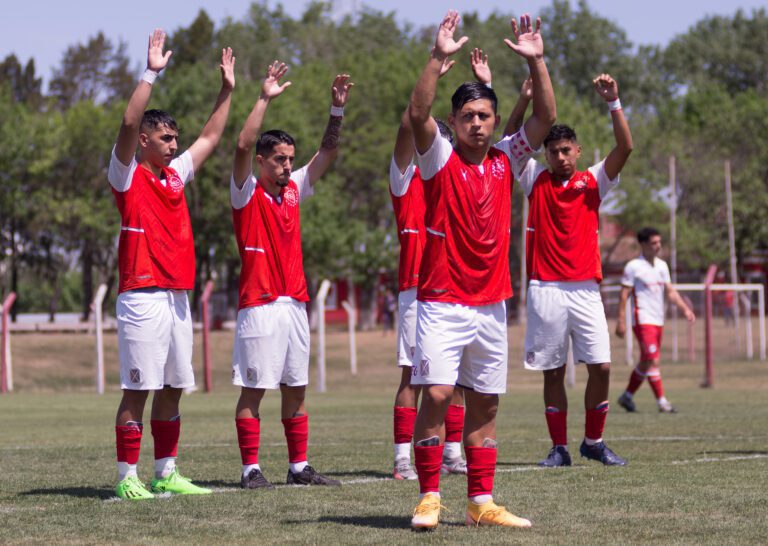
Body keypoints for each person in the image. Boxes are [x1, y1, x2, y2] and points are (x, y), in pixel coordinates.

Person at [407, 11, 555, 529]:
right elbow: (417, 111)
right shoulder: (439, 158)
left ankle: (480, 503)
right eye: (467, 114)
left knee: (486, 407)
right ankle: (428, 498)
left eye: (484, 115)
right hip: (442, 301)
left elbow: (543, 117)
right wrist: (437, 57)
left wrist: (538, 64)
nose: (476, 122)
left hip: (491, 306)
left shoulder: (506, 160)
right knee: (440, 394)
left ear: (495, 121)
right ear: (455, 122)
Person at [109, 30, 235, 500]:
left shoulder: (176, 175)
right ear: (144, 141)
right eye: (164, 137)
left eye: (174, 138)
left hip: (177, 295)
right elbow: (126, 120)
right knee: (137, 390)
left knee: (174, 387)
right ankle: (126, 478)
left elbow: (211, 136)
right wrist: (151, 73)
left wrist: (227, 90)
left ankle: (165, 471)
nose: (173, 144)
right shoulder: (127, 175)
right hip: (141, 295)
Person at [230, 61, 353, 489]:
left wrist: (336, 111)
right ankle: (250, 470)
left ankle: (299, 466)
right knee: (254, 389)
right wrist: (263, 97)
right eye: (279, 159)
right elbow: (243, 143)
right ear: (262, 162)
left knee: (296, 388)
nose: (286, 166)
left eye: (290, 160)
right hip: (260, 306)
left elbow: (328, 154)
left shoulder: (295, 189)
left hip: (295, 304)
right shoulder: (245, 192)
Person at [390, 47, 497, 482]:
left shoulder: (459, 174)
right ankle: (402, 456)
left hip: (455, 290)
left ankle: (453, 449)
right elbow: (411, 129)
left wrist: (484, 84)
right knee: (413, 378)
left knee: (453, 381)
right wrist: (426, 84)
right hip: (418, 291)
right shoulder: (407, 178)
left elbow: (491, 138)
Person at [518, 73, 633, 468]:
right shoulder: (535, 179)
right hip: (546, 288)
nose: (560, 157)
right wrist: (523, 102)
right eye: (553, 151)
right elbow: (511, 146)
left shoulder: (593, 180)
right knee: (552, 372)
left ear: (578, 151)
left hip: (585, 289)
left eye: (566, 150)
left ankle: (594, 441)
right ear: (545, 155)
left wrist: (613, 102)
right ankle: (559, 448)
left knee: (601, 365)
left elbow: (625, 146)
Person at [616, 227, 695, 413]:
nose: (658, 246)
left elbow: (670, 292)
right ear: (643, 244)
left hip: (658, 320)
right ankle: (662, 403)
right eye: (653, 243)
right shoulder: (633, 267)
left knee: (646, 361)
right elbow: (624, 294)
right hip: (642, 319)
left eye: (659, 242)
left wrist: (685, 309)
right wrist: (620, 320)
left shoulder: (662, 266)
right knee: (653, 360)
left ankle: (627, 397)